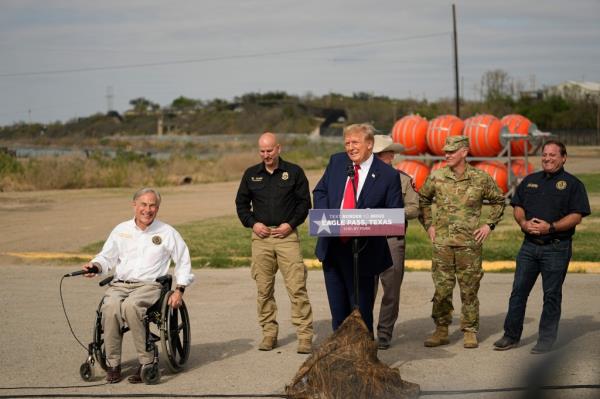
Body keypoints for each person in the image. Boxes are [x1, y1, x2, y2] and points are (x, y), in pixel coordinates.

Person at [81, 188, 194, 384]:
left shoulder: (167, 232)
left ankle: (146, 361)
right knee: (110, 308)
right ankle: (113, 363)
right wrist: (96, 266)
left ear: (157, 208)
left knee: (131, 306)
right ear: (135, 205)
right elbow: (106, 257)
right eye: (143, 205)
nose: (147, 210)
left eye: (152, 206)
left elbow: (183, 260)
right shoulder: (121, 230)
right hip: (120, 284)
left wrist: (180, 288)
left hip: (149, 286)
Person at [493, 140, 590, 354]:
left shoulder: (573, 185)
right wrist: (524, 223)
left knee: (551, 295)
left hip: (556, 247)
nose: (547, 158)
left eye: (553, 155)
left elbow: (576, 216)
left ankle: (546, 340)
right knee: (518, 292)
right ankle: (510, 335)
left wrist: (551, 227)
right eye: (545, 154)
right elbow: (518, 206)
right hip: (529, 247)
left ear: (563, 158)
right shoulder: (530, 180)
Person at [313, 123, 403, 333]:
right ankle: (341, 359)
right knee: (338, 314)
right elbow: (320, 191)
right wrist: (329, 218)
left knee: (361, 314)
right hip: (334, 246)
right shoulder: (337, 162)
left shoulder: (387, 175)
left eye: (355, 142)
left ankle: (364, 359)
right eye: (347, 143)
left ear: (370, 144)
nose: (350, 147)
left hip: (364, 251)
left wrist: (370, 220)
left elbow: (395, 213)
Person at [419, 136, 505, 349]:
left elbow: (499, 201)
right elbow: (423, 199)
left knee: (469, 289)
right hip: (443, 244)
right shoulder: (437, 177)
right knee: (442, 289)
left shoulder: (480, 178)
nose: (446, 155)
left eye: (451, 151)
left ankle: (469, 330)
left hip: (469, 244)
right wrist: (429, 224)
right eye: (445, 151)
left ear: (464, 152)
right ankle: (441, 329)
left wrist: (488, 225)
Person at [235, 132, 314, 354]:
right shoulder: (251, 174)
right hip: (261, 238)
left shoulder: (294, 172)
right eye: (262, 151)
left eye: (270, 150)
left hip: (286, 237)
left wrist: (290, 224)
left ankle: (305, 335)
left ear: (278, 148)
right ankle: (269, 334)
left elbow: (304, 203)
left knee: (297, 287)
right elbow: (241, 204)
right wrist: (253, 223)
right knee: (264, 290)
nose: (266, 155)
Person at [371, 135, 420, 350]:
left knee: (391, 289)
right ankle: (363, 331)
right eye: (380, 155)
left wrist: (391, 214)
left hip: (392, 239)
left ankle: (384, 334)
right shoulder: (362, 179)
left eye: (386, 154)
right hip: (368, 239)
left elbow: (414, 208)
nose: (387, 157)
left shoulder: (403, 179)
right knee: (365, 289)